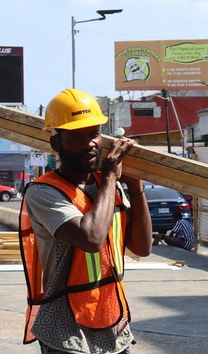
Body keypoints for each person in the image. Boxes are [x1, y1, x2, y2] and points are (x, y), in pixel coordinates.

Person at [19, 88, 152, 353]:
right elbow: (90, 238)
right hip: (66, 333)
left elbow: (142, 248)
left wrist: (136, 190)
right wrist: (113, 177)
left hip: (114, 326)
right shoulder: (44, 192)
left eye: (93, 133)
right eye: (76, 136)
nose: (89, 142)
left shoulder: (107, 186)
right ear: (56, 144)